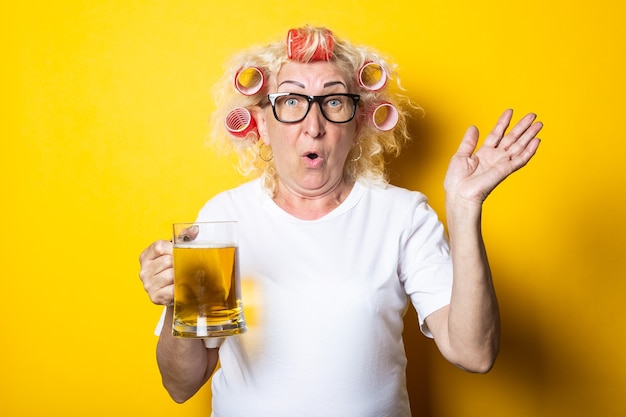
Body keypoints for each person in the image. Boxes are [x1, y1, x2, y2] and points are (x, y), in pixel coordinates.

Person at [139, 25, 542, 417]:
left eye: (333, 103)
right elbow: (181, 384)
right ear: (262, 124)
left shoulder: (402, 216)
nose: (313, 128)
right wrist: (179, 303)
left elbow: (474, 353)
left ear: (358, 123)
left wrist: (464, 207)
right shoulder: (223, 218)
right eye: (292, 102)